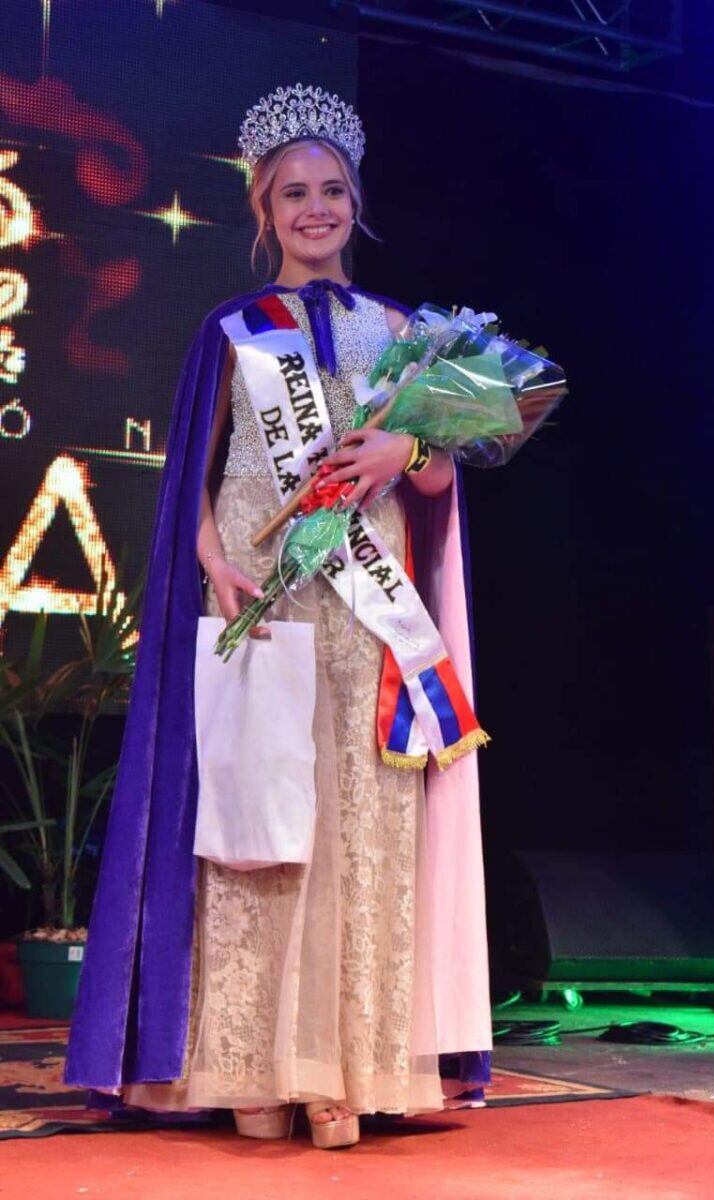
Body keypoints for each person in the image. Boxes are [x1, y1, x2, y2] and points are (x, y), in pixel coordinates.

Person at [65, 83, 492, 1150]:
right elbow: (194, 484)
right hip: (264, 601)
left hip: (367, 612)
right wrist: (212, 566)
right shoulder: (232, 330)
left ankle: (343, 1072)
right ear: (262, 210)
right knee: (257, 836)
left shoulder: (403, 333)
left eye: (332, 190)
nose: (316, 209)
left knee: (357, 828)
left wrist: (410, 449)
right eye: (293, 193)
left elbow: (436, 489)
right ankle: (249, 1064)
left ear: (354, 201)